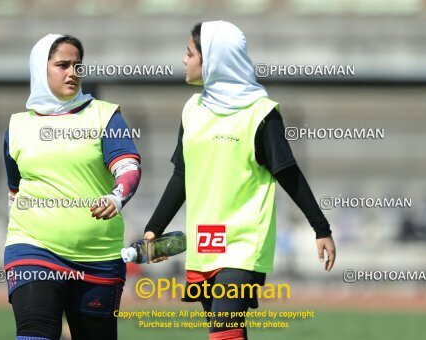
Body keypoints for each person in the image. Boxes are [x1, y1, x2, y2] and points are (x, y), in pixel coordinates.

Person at [143, 21, 336, 340]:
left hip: (245, 240)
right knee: (224, 331)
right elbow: (182, 174)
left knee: (224, 328)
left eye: (190, 53)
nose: (184, 60)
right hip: (204, 239)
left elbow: (287, 172)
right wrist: (155, 228)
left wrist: (321, 228)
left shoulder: (261, 113)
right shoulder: (192, 110)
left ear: (213, 60)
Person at [3, 34, 141, 340]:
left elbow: (128, 166)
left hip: (98, 256)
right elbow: (15, 192)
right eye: (62, 65)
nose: (72, 73)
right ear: (41, 69)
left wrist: (116, 197)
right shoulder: (16, 126)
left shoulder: (106, 115)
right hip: (33, 248)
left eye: (78, 65)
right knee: (34, 332)